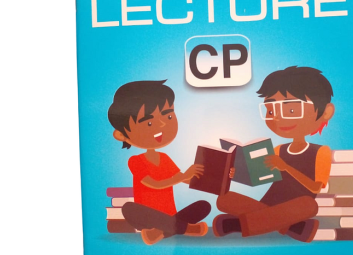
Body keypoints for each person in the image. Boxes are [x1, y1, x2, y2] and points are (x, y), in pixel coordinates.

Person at [214, 66, 335, 243]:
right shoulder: (279, 150)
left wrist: (286, 167)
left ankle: (238, 225)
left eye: (291, 110)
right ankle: (291, 226)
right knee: (224, 199)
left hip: (298, 205)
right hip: (271, 204)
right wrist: (238, 172)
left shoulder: (320, 152)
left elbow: (315, 188)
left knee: (309, 205)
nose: (277, 118)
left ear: (326, 112)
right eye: (271, 111)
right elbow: (260, 177)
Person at [108, 80, 210, 245]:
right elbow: (154, 184)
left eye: (168, 116)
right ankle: (187, 228)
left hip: (169, 215)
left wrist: (219, 175)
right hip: (147, 216)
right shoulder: (135, 161)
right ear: (122, 135)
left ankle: (160, 231)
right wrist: (182, 176)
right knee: (128, 208)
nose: (162, 124)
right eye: (149, 123)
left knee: (203, 206)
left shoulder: (164, 158)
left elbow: (186, 179)